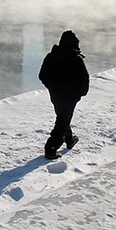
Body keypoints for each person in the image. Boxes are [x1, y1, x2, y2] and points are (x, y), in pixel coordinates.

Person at [38, 30, 90, 159]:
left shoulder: (51, 56)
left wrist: (51, 87)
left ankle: (70, 139)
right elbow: (84, 79)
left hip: (55, 94)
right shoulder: (76, 59)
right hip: (70, 96)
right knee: (63, 120)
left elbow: (42, 75)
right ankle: (51, 148)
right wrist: (79, 94)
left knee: (62, 117)